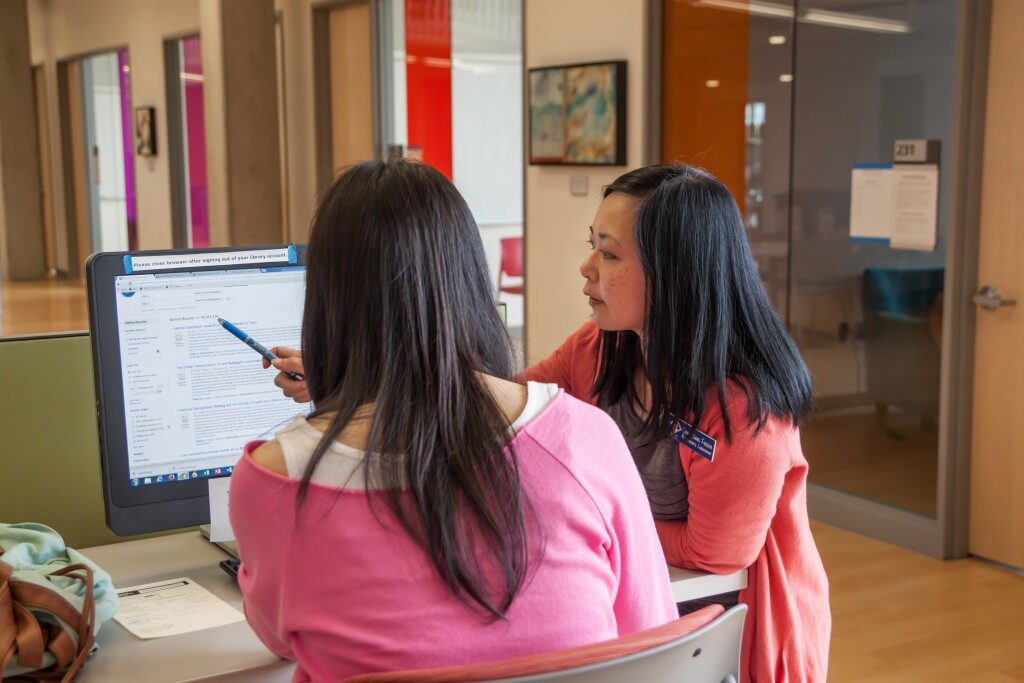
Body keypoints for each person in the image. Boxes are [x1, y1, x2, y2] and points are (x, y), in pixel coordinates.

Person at [231, 159, 678, 681]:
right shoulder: (586, 437)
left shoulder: (274, 479)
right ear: (469, 279)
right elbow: (653, 639)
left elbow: (276, 635)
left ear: (328, 300)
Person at [521, 164, 831, 681]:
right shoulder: (602, 346)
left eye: (610, 253)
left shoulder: (744, 405)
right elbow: (520, 405)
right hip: (652, 599)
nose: (586, 267)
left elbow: (713, 553)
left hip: (735, 624)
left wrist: (601, 521)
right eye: (592, 245)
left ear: (674, 274)